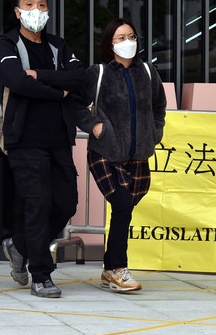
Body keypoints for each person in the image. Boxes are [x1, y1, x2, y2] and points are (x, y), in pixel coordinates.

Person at [50, 17, 166, 293]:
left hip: (138, 154)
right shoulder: (98, 73)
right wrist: (95, 126)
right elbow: (75, 104)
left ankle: (107, 270)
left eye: (131, 36)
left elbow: (159, 106)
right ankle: (117, 269)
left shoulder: (149, 72)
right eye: (120, 38)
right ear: (110, 44)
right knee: (123, 204)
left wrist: (155, 132)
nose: (127, 42)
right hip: (105, 152)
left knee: (125, 209)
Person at [0, 0, 83, 298]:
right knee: (38, 202)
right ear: (18, 12)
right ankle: (41, 275)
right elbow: (15, 81)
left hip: (58, 138)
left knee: (66, 202)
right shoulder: (6, 43)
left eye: (42, 4)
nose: (37, 10)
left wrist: (39, 76)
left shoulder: (58, 46)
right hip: (23, 139)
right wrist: (58, 91)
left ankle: (19, 245)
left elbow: (80, 77)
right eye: (29, 4)